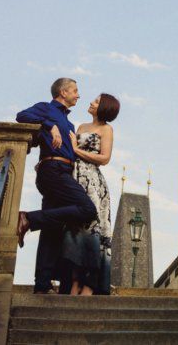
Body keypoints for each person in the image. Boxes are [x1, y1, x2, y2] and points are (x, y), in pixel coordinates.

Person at [15, 78, 98, 294]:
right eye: (75, 91)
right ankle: (28, 218)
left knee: (51, 228)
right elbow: (21, 116)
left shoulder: (69, 123)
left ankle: (41, 284)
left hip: (63, 171)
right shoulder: (46, 109)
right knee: (87, 210)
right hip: (52, 170)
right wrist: (48, 125)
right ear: (63, 92)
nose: (78, 95)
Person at [61, 93, 118, 296]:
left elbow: (104, 158)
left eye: (96, 101)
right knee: (75, 232)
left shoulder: (106, 129)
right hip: (75, 178)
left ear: (103, 107)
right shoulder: (81, 127)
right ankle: (75, 282)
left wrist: (76, 150)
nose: (91, 102)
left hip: (93, 183)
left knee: (93, 232)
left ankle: (90, 284)